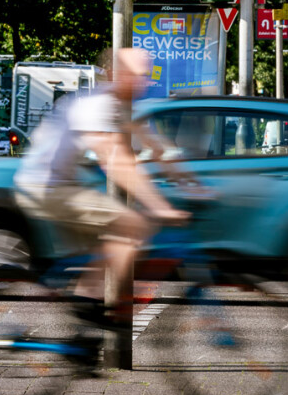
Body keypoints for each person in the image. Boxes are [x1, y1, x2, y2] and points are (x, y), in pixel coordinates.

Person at [13, 48, 195, 330]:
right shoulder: (98, 104)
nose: (143, 83)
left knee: (99, 251)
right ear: (117, 75)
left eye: (145, 76)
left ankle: (82, 332)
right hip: (46, 186)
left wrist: (189, 181)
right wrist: (160, 207)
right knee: (133, 225)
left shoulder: (120, 105)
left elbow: (155, 146)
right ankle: (97, 309)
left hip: (60, 184)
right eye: (136, 76)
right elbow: (118, 162)